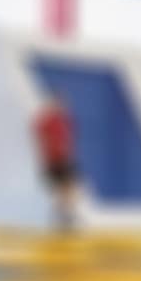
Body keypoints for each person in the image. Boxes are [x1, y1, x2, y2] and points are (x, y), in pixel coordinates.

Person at [33, 93, 80, 234]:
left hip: (63, 158)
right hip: (54, 159)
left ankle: (65, 215)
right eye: (59, 103)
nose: (62, 106)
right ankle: (63, 215)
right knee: (63, 188)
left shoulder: (65, 120)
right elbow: (40, 137)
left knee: (68, 188)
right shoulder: (45, 120)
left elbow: (69, 139)